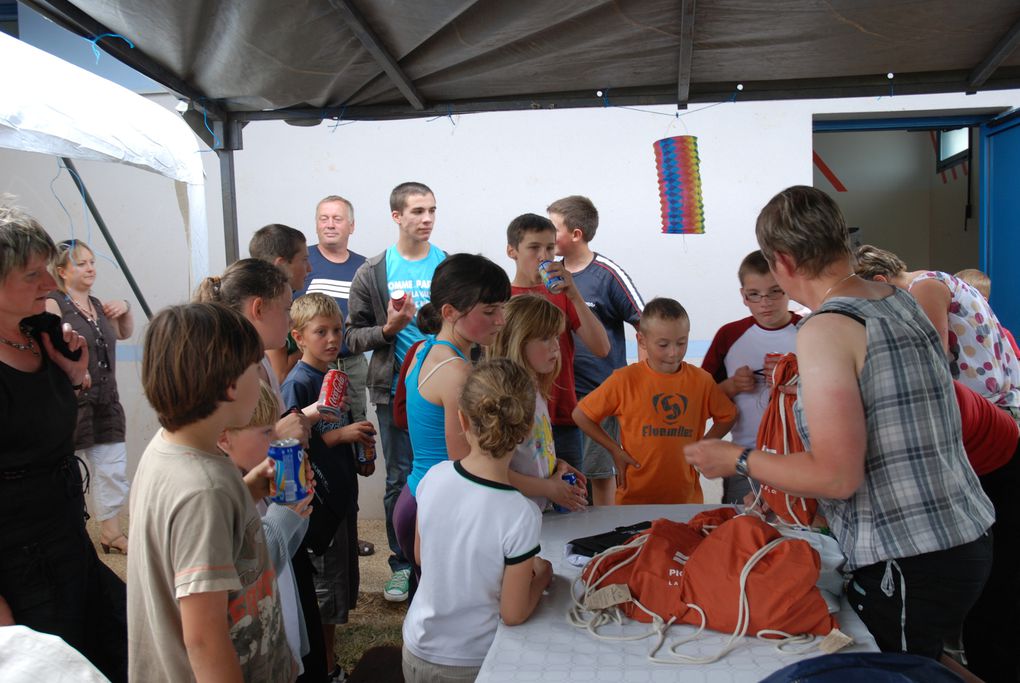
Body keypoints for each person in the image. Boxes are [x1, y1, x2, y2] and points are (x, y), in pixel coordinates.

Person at [684, 186, 994, 673]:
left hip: (909, 555)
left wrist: (736, 460)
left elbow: (837, 475)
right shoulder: (898, 298)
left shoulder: (826, 328)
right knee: (928, 664)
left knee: (900, 671)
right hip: (964, 536)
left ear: (782, 261)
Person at [854, 245, 1020, 681]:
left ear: (884, 284)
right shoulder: (942, 282)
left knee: (993, 594)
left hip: (994, 434)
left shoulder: (925, 286)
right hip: (994, 423)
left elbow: (929, 358)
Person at [129, 302, 293, 681]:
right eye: (257, 368)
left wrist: (247, 490)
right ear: (230, 386)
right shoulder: (204, 491)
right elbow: (203, 638)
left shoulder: (168, 449)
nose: (262, 376)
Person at [0, 201, 125, 682]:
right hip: (17, 565)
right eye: (34, 276)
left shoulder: (43, 335)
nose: (51, 286)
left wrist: (75, 378)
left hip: (67, 538)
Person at [401, 358, 553, 682]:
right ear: (526, 430)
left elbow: (420, 556)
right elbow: (513, 614)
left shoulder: (433, 478)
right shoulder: (521, 514)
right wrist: (542, 576)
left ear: (462, 419)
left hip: (416, 649)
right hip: (471, 661)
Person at [345, 182, 446, 602]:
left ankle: (441, 560)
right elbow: (350, 336)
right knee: (400, 479)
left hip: (442, 388)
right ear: (396, 216)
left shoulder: (447, 267)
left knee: (446, 477)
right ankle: (402, 564)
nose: (426, 219)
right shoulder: (374, 270)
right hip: (393, 392)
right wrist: (388, 330)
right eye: (418, 211)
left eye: (432, 211)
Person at [393, 253, 511, 583]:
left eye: (501, 308)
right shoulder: (458, 372)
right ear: (449, 312)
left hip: (417, 496)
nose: (500, 320)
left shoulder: (423, 349)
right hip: (436, 509)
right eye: (489, 311)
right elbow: (466, 464)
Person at [282, 293, 375, 680]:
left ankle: (330, 663)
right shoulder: (298, 384)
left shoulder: (333, 377)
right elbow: (290, 448)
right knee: (323, 598)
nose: (332, 338)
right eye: (321, 332)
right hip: (317, 508)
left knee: (339, 594)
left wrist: (360, 451)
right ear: (299, 337)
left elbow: (339, 430)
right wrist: (340, 437)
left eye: (337, 330)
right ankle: (323, 668)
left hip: (342, 499)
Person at [574, 298, 736, 505]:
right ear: (642, 341)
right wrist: (615, 450)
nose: (673, 352)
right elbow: (581, 415)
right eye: (663, 345)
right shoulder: (624, 379)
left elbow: (728, 415)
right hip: (634, 502)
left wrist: (704, 443)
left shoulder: (701, 380)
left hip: (685, 500)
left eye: (681, 342)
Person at [548, 195, 644, 506]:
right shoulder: (549, 273)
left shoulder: (607, 274)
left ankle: (602, 540)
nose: (547, 237)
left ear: (576, 234)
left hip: (599, 398)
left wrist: (643, 384)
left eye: (553, 229)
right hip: (559, 396)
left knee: (601, 475)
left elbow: (646, 324)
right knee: (565, 474)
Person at [217, 379, 315, 677]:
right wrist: (283, 516)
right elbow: (250, 568)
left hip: (277, 633)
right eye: (265, 432)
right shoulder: (214, 490)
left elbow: (286, 550)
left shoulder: (250, 476)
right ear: (224, 439)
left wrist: (297, 507)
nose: (275, 438)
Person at [45, 239, 134, 555]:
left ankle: (110, 532)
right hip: (71, 403)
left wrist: (124, 307)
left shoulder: (97, 305)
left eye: (92, 262)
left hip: (106, 400)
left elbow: (123, 333)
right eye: (81, 263)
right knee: (68, 470)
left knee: (112, 469)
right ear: (62, 271)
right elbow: (47, 348)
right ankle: (69, 535)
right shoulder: (53, 303)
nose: (90, 268)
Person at [507, 213, 610, 473]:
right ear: (512, 251)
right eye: (534, 248)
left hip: (562, 416)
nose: (544, 256)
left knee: (573, 502)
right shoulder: (502, 298)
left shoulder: (563, 295)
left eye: (550, 248)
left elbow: (601, 348)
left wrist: (574, 294)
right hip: (516, 417)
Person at [701, 250, 800, 504]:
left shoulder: (810, 331)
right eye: (754, 295)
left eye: (774, 292)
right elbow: (700, 397)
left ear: (789, 288)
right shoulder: (729, 335)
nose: (764, 302)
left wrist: (795, 374)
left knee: (805, 533)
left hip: (801, 457)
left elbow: (837, 394)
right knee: (742, 533)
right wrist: (730, 386)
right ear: (743, 296)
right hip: (744, 458)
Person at [488, 294, 588, 512]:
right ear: (517, 340)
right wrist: (547, 488)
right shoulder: (506, 398)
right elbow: (493, 471)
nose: (556, 346)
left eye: (556, 337)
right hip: (511, 519)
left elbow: (529, 453)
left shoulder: (535, 390)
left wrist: (556, 467)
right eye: (545, 338)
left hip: (534, 514)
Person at [249, 222, 312, 384]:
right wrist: (313, 348)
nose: (309, 268)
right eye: (304, 260)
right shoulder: (271, 311)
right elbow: (278, 375)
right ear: (281, 264)